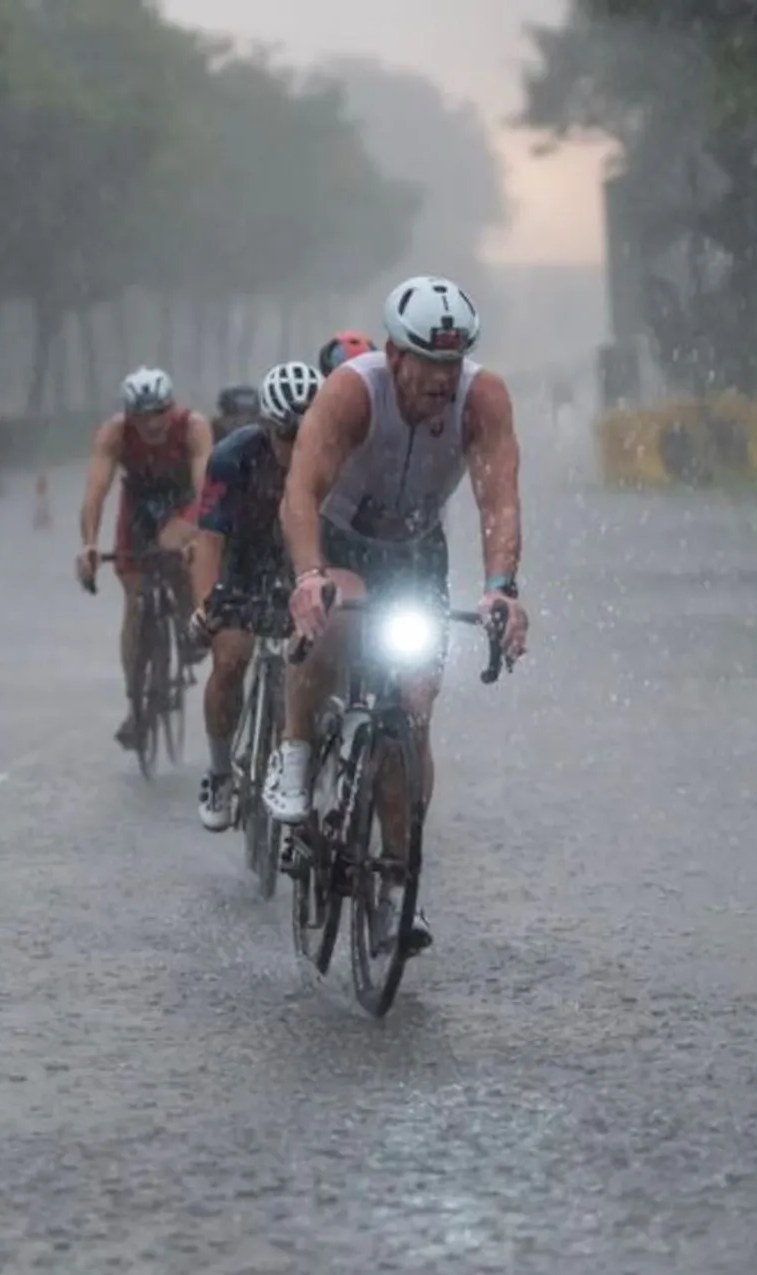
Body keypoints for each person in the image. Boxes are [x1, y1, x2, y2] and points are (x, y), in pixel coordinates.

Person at [268, 276, 530, 953]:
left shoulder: (483, 399)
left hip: (415, 549)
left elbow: (497, 499)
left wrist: (502, 586)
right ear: (393, 352)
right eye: (427, 364)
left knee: (414, 707)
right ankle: (295, 750)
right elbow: (300, 490)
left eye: (452, 363)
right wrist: (306, 576)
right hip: (337, 539)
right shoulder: (355, 391)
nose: (441, 380)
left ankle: (395, 880)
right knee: (336, 621)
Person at [186, 360, 323, 832]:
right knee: (230, 657)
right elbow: (209, 541)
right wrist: (206, 606)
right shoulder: (231, 457)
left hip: (309, 565)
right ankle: (221, 772)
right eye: (287, 435)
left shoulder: (340, 453)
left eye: (307, 434)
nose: (297, 446)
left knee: (328, 661)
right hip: (245, 563)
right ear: (266, 427)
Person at [75, 366, 215, 749]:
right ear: (129, 415)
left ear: (172, 408)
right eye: (142, 416)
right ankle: (136, 700)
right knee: (135, 604)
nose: (152, 424)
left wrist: (196, 537)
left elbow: (206, 491)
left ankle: (190, 625)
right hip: (138, 508)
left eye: (159, 413)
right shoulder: (115, 434)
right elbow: (95, 491)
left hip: (183, 504)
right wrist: (89, 543)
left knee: (179, 555)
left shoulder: (193, 427)